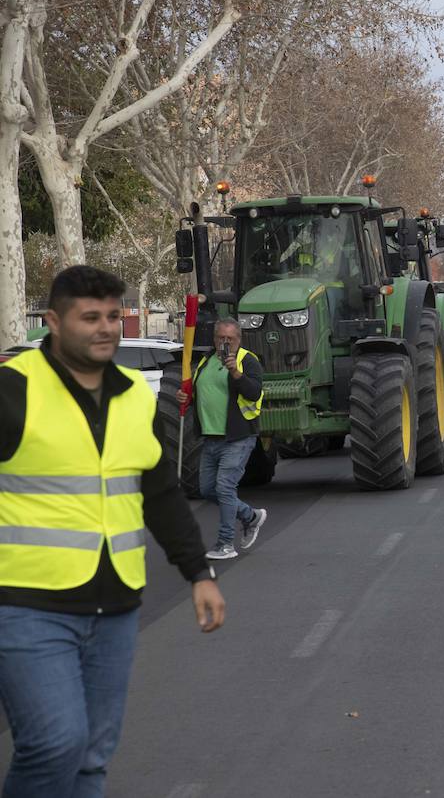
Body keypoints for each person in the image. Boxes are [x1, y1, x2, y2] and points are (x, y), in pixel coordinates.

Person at [0, 265, 225, 798]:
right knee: (54, 744)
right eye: (90, 317)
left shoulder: (133, 397)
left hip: (116, 607)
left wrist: (199, 574)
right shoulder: (13, 389)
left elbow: (160, 494)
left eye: (112, 316)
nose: (105, 328)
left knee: (92, 758)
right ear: (54, 322)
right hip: (29, 605)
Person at [177, 318, 266, 560]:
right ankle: (250, 516)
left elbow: (254, 392)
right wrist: (186, 398)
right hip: (211, 437)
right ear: (214, 338)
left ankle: (226, 544)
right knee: (208, 489)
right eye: (221, 338)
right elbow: (203, 393)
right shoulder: (206, 361)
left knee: (225, 488)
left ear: (239, 339)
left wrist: (235, 372)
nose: (225, 342)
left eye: (230, 338)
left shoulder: (247, 360)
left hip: (238, 436)